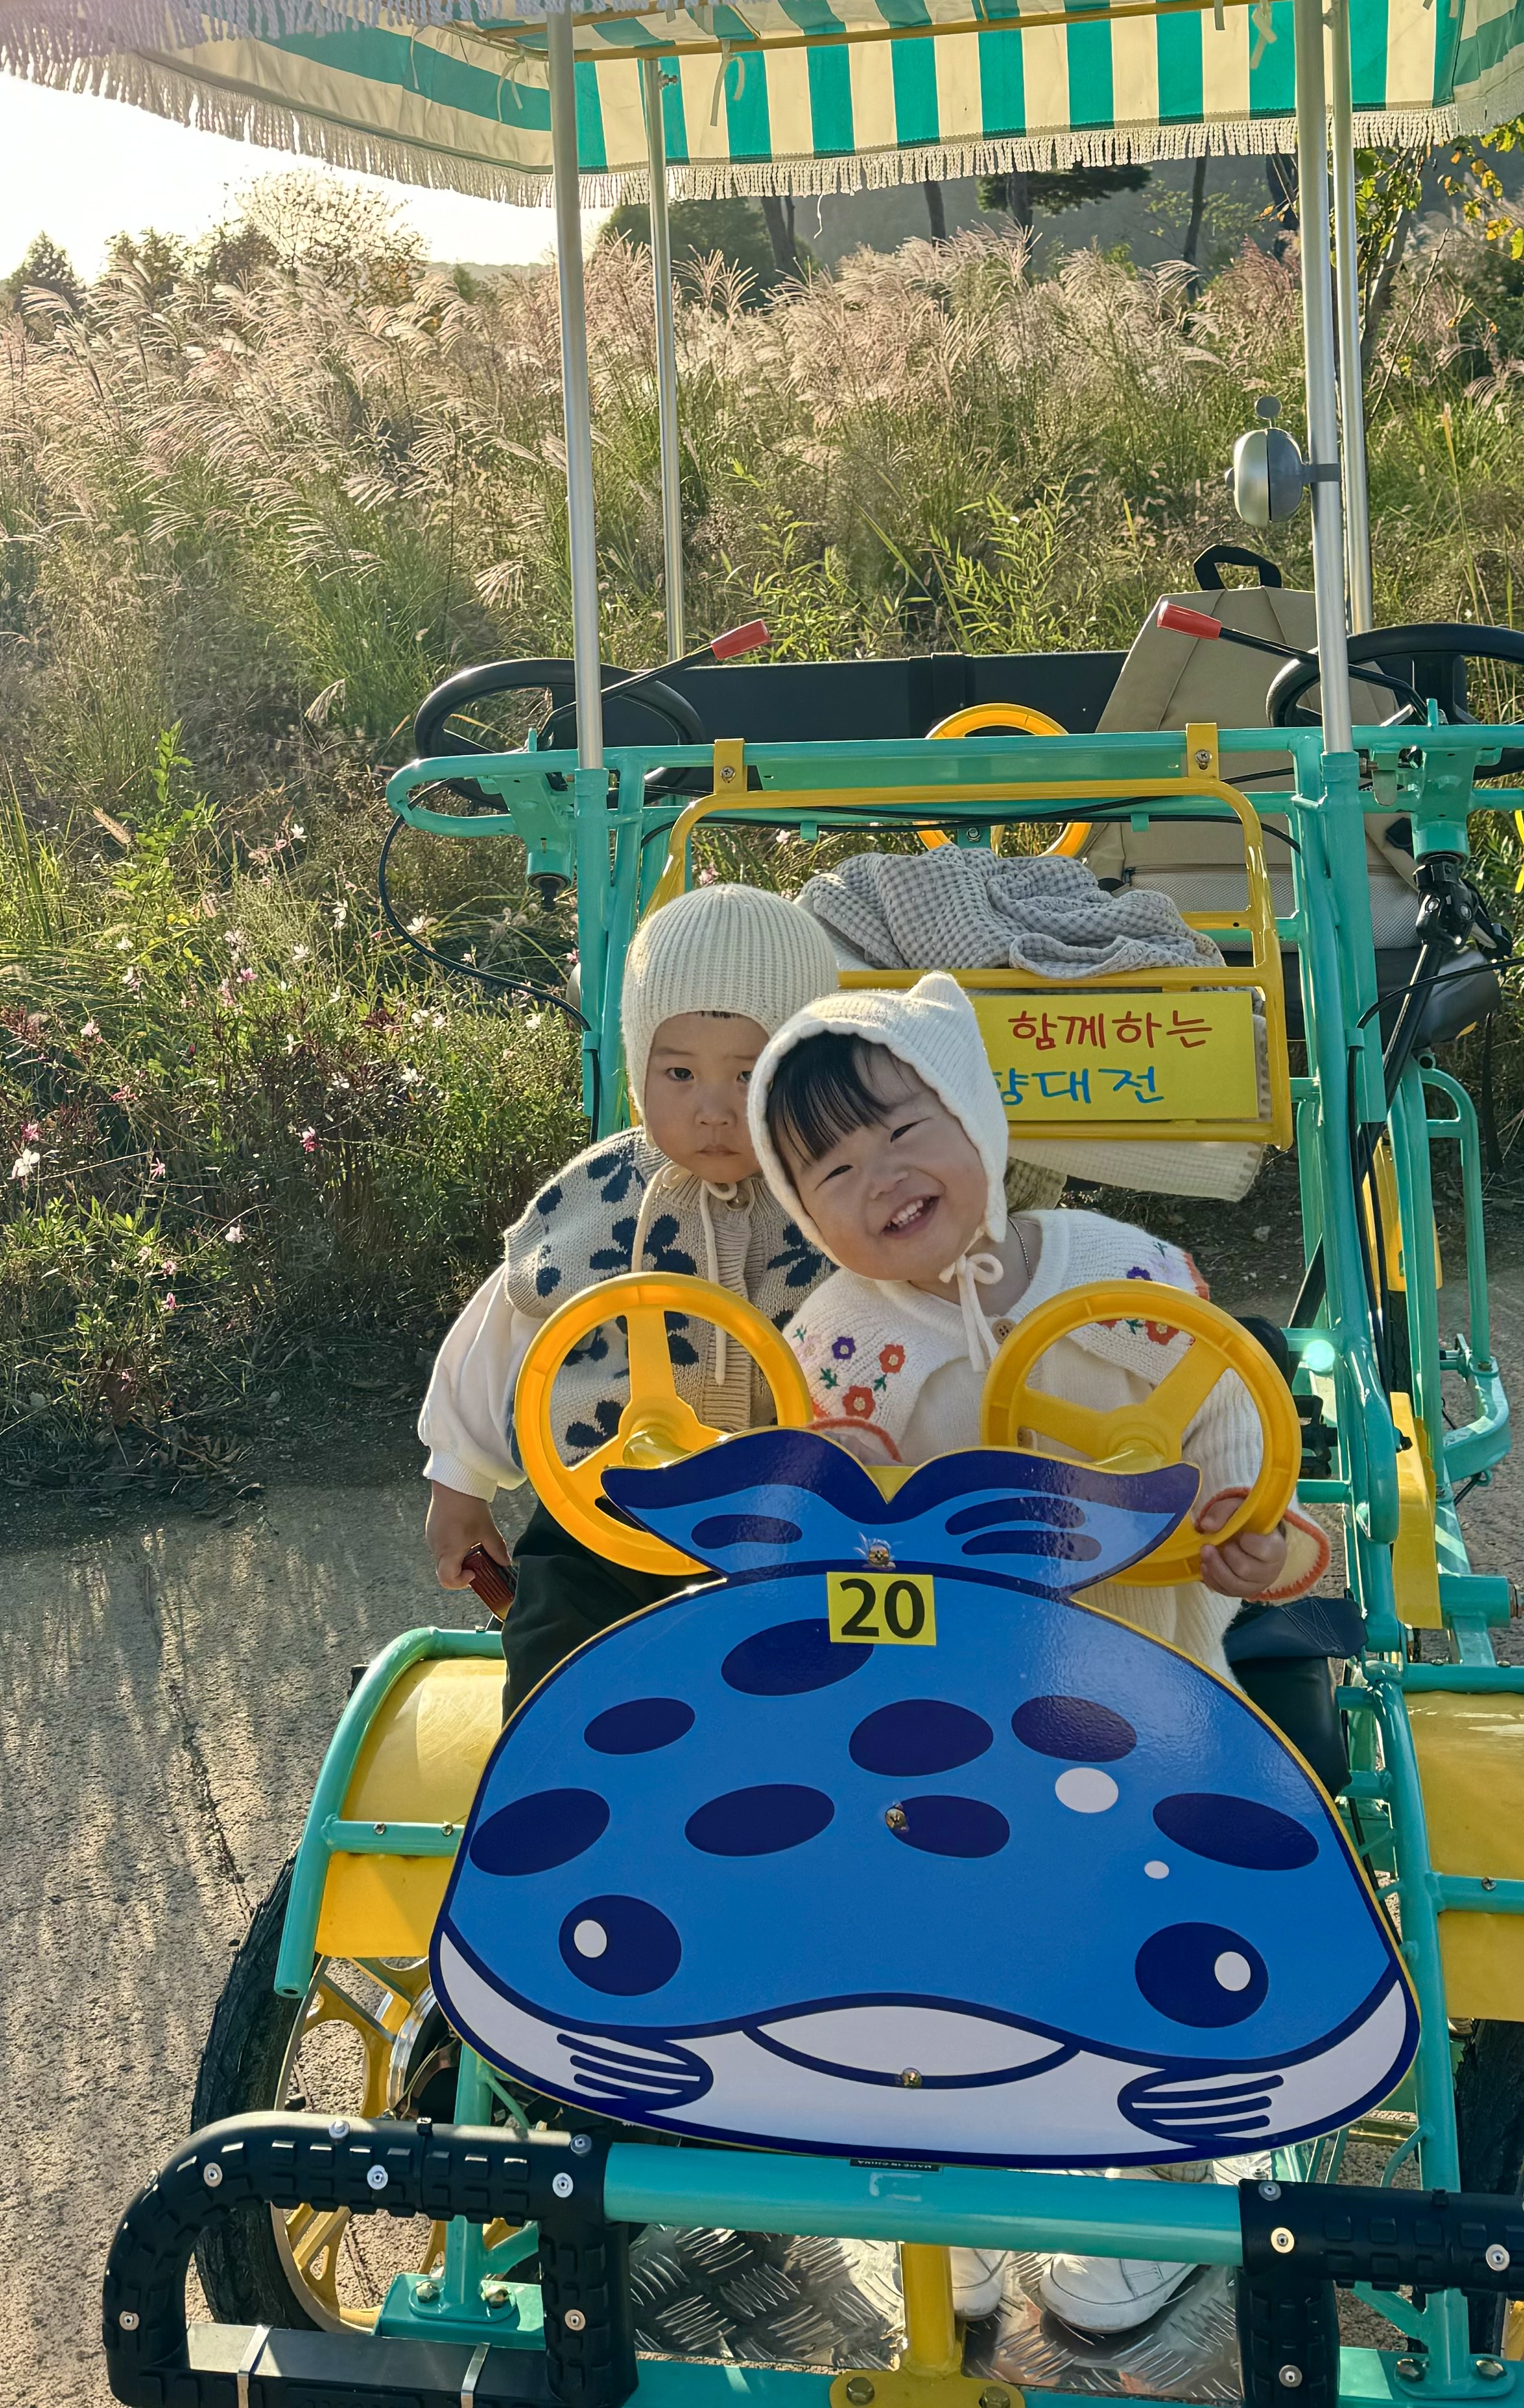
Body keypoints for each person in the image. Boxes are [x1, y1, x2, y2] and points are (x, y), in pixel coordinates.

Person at [748, 970, 1328, 2346]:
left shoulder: (1121, 1273)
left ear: (977, 1112)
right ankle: (939, 2190)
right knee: (911, 1927)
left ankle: (1146, 2172)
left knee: (1147, 1908)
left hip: (1149, 1676)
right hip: (934, 1698)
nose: (878, 1175)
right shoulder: (827, 1345)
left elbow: (1244, 1456)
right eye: (829, 1165)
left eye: (902, 1125)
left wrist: (1256, 1541)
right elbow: (810, 1548)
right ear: (800, 1208)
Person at [417, 882, 842, 1709]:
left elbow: (902, 1332)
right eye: (678, 1072)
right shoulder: (599, 1194)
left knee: (818, 1673)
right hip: (603, 1519)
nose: (713, 1110)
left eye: (751, 1074)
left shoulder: (834, 1198)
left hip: (792, 1530)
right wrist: (459, 1481)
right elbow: (506, 1326)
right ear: (638, 1060)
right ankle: (557, 1812)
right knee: (555, 1653)